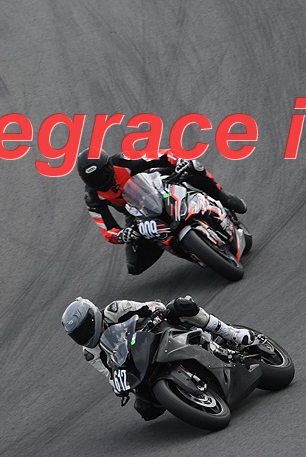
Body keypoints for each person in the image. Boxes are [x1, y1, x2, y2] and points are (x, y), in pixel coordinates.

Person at [61, 295, 256, 419]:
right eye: (77, 335)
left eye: (83, 330)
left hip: (155, 334)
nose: (83, 337)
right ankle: (185, 395)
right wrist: (117, 387)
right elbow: (109, 374)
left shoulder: (116, 309)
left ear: (93, 317)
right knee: (145, 409)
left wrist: (156, 313)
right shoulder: (90, 353)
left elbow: (151, 306)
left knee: (180, 306)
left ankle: (231, 333)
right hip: (137, 363)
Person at [76, 149, 247, 275]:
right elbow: (107, 229)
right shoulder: (92, 197)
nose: (99, 181)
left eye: (101, 174)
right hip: (135, 211)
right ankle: (175, 244)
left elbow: (161, 155)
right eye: (93, 179)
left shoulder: (123, 161)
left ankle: (222, 196)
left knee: (192, 167)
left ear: (109, 166)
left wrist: (177, 162)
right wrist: (121, 235)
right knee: (135, 265)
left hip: (156, 185)